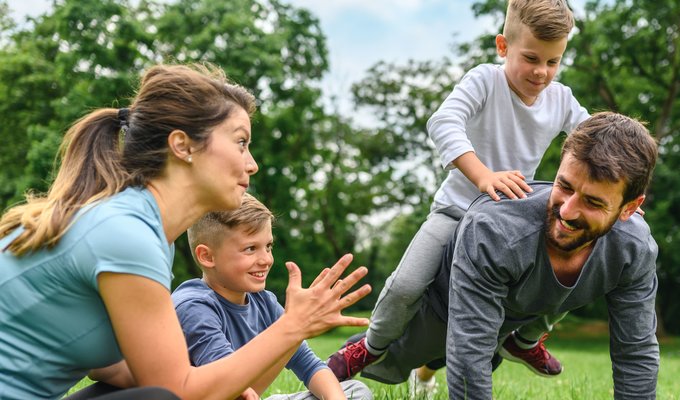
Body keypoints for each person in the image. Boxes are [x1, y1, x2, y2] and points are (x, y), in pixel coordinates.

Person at [0, 64, 371, 400]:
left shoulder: (149, 234)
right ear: (183, 146)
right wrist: (292, 327)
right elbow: (176, 392)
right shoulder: (126, 233)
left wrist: (223, 384)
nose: (252, 164)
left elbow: (108, 367)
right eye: (241, 142)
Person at [328, 0, 589, 385]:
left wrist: (620, 196)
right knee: (406, 286)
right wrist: (483, 176)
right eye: (531, 58)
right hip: (456, 212)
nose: (541, 72)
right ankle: (371, 345)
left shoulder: (561, 99)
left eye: (553, 62)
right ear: (503, 47)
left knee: (571, 269)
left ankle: (525, 340)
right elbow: (444, 121)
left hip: (511, 221)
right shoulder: (486, 80)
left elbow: (594, 142)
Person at [341, 112, 661, 400]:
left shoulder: (633, 249)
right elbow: (470, 350)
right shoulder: (496, 229)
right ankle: (350, 356)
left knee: (482, 352)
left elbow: (635, 352)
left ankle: (513, 344)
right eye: (564, 186)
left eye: (593, 202)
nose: (567, 210)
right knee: (406, 354)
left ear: (629, 208)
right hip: (443, 306)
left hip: (514, 318)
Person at [172, 193, 372, 400]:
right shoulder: (194, 306)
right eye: (250, 249)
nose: (266, 259)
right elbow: (232, 392)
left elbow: (310, 365)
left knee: (354, 391)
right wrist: (294, 327)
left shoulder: (264, 301)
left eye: (268, 246)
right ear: (207, 256)